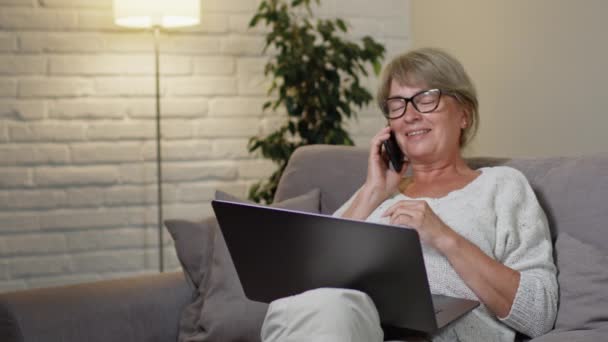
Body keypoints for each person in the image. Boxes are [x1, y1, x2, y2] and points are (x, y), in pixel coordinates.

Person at [260, 48, 558, 342]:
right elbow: (306, 286)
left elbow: (538, 312)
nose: (410, 115)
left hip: (428, 336)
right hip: (346, 325)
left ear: (464, 115)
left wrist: (443, 236)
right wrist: (373, 191)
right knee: (298, 306)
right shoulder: (375, 194)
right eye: (397, 105)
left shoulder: (501, 186)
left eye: (426, 98)